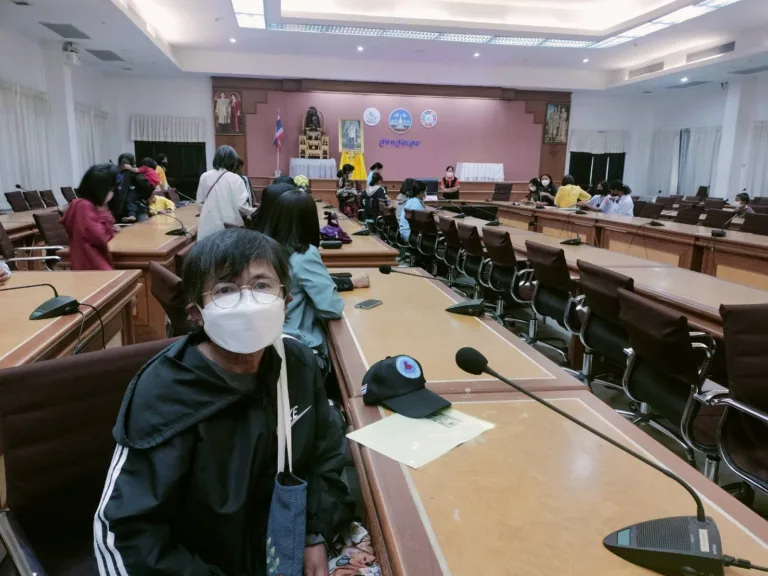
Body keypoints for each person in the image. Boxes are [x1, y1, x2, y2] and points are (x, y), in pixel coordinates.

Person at [94, 228, 354, 575]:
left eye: (262, 285)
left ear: (286, 300)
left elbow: (326, 457)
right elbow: (127, 532)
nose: (248, 302)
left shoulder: (297, 365)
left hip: (279, 545)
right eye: (225, 290)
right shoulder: (164, 392)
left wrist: (312, 532)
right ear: (196, 313)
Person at [266, 190, 370, 368]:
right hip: (300, 350)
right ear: (310, 222)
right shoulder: (304, 255)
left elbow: (299, 283)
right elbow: (331, 308)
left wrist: (346, 283)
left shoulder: (267, 251)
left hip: (271, 345)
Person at [61, 164, 118, 271]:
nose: (113, 192)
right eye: (111, 188)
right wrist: (104, 212)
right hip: (91, 265)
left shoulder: (86, 205)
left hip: (95, 261)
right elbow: (100, 237)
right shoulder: (83, 206)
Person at [196, 145, 253, 240]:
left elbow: (200, 204)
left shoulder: (204, 177)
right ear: (233, 161)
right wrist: (253, 211)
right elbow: (242, 207)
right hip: (229, 231)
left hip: (207, 229)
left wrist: (212, 213)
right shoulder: (236, 179)